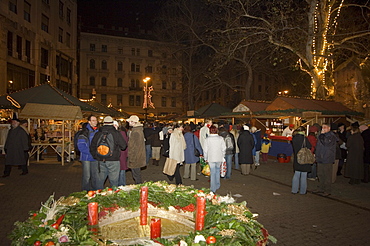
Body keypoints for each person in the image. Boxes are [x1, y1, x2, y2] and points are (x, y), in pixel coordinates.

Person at [90, 116, 127, 189]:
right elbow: (124, 146)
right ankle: (113, 196)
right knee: (114, 181)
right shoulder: (116, 133)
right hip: (114, 160)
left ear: (103, 123)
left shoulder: (98, 133)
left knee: (100, 180)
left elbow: (92, 147)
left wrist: (97, 156)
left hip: (101, 160)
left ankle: (99, 195)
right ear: (112, 123)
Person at [313, 123, 337, 196]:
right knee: (320, 174)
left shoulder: (331, 136)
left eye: (325, 127)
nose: (323, 128)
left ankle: (327, 190)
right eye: (322, 127)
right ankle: (321, 187)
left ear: (329, 128)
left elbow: (326, 143)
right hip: (320, 158)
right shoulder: (321, 136)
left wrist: (322, 135)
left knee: (327, 175)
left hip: (327, 158)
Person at [77, 115, 99, 191]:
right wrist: (91, 153)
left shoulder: (97, 131)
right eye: (93, 120)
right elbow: (81, 146)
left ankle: (94, 191)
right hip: (86, 157)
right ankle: (85, 192)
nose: (95, 122)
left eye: (96, 120)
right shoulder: (84, 132)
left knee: (95, 176)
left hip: (95, 157)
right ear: (89, 122)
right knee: (87, 176)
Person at [203, 125, 226, 193]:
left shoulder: (207, 139)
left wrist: (205, 157)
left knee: (212, 172)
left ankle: (213, 188)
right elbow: (223, 148)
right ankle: (217, 184)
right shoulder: (220, 138)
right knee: (217, 170)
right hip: (219, 157)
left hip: (211, 158)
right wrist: (223, 156)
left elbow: (205, 150)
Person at [291, 126, 312, 195]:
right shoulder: (304, 138)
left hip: (297, 157)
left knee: (296, 174)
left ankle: (294, 190)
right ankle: (302, 191)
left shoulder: (294, 138)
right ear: (303, 131)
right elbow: (309, 146)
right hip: (304, 158)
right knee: (303, 175)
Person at [127, 115, 146, 184]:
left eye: (129, 121)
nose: (128, 122)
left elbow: (133, 147)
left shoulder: (135, 132)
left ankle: (140, 189)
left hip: (135, 157)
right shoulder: (138, 130)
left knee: (136, 176)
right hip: (138, 156)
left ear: (133, 122)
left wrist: (131, 159)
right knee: (137, 175)